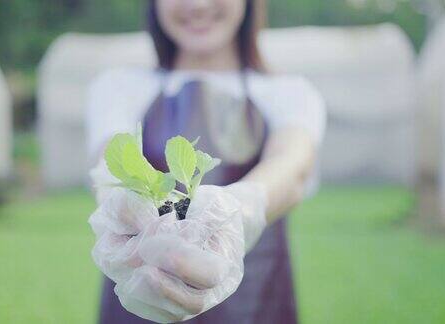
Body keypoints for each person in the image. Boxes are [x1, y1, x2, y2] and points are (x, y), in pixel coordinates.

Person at [85, 0, 326, 322]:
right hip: (142, 299)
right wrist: (122, 207)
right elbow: (108, 162)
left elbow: (292, 164)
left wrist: (244, 208)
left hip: (255, 303)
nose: (197, 4)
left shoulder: (288, 92)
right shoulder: (120, 87)